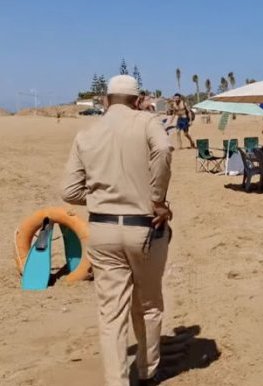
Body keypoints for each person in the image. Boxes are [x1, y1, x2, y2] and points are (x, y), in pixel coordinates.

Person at [61, 75, 173, 385]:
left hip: (103, 228)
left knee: (111, 314)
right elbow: (163, 150)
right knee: (149, 305)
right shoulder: (147, 121)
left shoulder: (87, 132)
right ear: (138, 101)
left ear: (106, 101)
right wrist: (157, 199)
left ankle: (116, 380)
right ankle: (148, 372)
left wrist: (100, 197)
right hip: (144, 226)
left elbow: (69, 191)